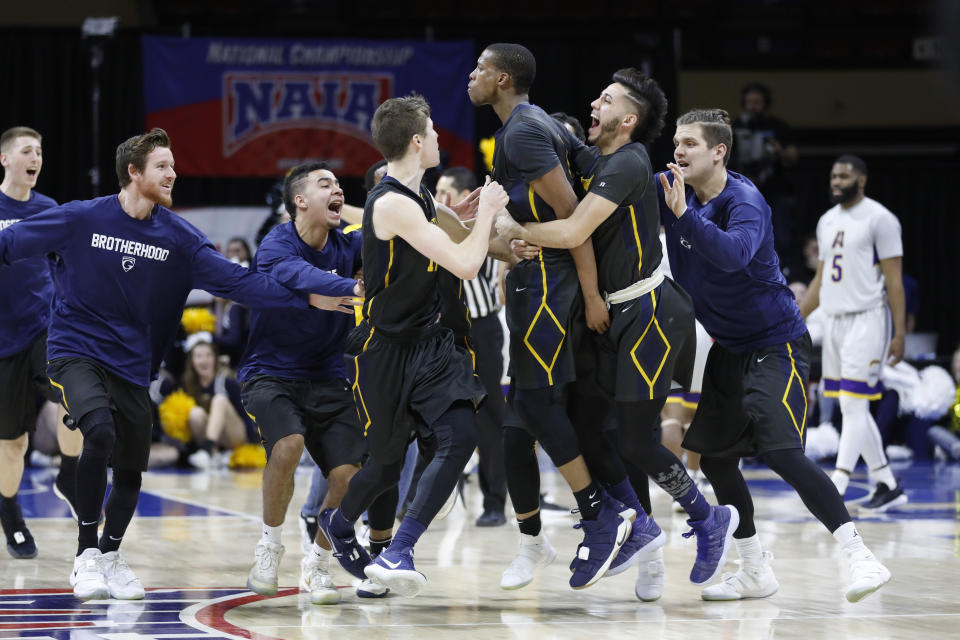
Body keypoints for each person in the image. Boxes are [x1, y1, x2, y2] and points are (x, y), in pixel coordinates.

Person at [0, 127, 355, 601]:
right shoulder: (81, 218)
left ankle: (111, 553)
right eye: (162, 166)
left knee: (130, 474)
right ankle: (85, 554)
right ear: (133, 172)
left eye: (173, 165)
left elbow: (242, 285)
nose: (173, 173)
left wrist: (314, 297)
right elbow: (9, 244)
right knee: (98, 431)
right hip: (75, 351)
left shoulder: (181, 239)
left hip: (133, 365)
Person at [495, 69, 737, 599]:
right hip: (614, 316)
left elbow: (573, 230)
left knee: (634, 439)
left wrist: (514, 231)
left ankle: (705, 516)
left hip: (650, 312)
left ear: (627, 119)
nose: (594, 103)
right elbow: (554, 145)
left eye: (606, 100)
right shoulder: (595, 157)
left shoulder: (629, 162)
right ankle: (634, 529)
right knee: (587, 426)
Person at [656, 109, 891, 603]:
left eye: (690, 144)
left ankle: (860, 556)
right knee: (717, 462)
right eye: (676, 142)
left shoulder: (745, 200)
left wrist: (682, 217)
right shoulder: (671, 195)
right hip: (729, 346)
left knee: (782, 452)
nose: (678, 151)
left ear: (719, 151)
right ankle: (755, 569)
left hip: (775, 343)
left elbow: (733, 255)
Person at [318, 95, 509, 598]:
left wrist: (470, 218)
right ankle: (338, 526)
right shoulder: (394, 202)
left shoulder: (418, 196)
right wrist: (489, 208)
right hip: (384, 352)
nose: (442, 138)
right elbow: (466, 265)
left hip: (429, 345)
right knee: (382, 465)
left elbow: (459, 237)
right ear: (417, 141)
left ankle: (400, 548)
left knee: (460, 434)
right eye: (435, 131)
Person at [469, 43, 642, 591]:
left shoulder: (521, 131)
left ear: (501, 79)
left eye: (478, 68)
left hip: (551, 285)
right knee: (526, 412)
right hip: (537, 281)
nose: (469, 76)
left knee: (533, 404)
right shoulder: (527, 125)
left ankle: (602, 510)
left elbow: (574, 220)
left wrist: (591, 293)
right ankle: (589, 517)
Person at [239, 161, 397, 604]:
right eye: (325, 184)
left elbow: (396, 239)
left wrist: (450, 219)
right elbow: (291, 274)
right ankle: (269, 547)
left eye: (340, 185)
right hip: (270, 372)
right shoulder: (276, 242)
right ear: (299, 200)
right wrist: (348, 286)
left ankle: (318, 562)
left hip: (327, 375)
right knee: (288, 445)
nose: (338, 190)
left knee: (350, 475)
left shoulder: (349, 243)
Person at [798, 155, 908, 511]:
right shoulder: (827, 221)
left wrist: (899, 332)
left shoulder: (881, 218)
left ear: (861, 179)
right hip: (834, 320)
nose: (836, 181)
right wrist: (794, 320)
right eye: (832, 175)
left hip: (868, 318)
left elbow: (894, 281)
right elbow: (820, 280)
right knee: (851, 404)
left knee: (852, 403)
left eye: (843, 175)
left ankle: (837, 485)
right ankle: (887, 484)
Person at [0, 126, 83, 558]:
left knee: (77, 394)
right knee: (13, 442)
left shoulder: (49, 209)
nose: (37, 158)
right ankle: (10, 512)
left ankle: (69, 474)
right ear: (6, 159)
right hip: (2, 340)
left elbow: (68, 266)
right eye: (27, 151)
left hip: (45, 326)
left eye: (40, 151)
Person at [435, 166, 508, 527]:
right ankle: (434, 491)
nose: (438, 198)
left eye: (445, 191)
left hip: (479, 328)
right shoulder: (429, 221)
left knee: (489, 416)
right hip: (442, 330)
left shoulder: (481, 224)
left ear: (465, 196)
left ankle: (495, 500)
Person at [729, 82, 799, 259]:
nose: (753, 107)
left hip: (775, 191)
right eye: (750, 102)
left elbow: (793, 157)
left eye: (757, 102)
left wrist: (779, 150)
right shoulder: (735, 128)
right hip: (744, 192)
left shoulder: (777, 126)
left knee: (780, 237)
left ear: (765, 104)